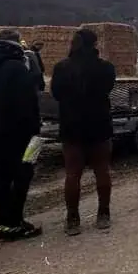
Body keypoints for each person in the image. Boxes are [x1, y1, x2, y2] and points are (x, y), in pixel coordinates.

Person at [0, 30, 43, 241]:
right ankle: (15, 223)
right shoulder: (16, 68)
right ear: (15, 44)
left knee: (1, 178)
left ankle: (2, 224)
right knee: (22, 175)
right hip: (19, 134)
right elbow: (28, 103)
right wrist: (35, 131)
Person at [50, 28, 117, 235]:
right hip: (99, 124)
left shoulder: (62, 67)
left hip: (72, 126)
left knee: (72, 174)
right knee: (102, 171)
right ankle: (103, 214)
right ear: (95, 44)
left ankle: (73, 219)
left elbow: (56, 94)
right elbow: (108, 89)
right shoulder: (106, 68)